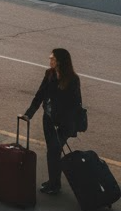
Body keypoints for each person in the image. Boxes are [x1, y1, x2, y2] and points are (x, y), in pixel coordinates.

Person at [22, 48, 83, 195]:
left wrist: (62, 117)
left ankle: (54, 184)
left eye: (52, 59)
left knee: (55, 149)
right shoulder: (49, 74)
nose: (50, 61)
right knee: (52, 151)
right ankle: (54, 182)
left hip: (64, 123)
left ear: (60, 61)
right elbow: (40, 94)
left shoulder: (72, 79)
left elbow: (75, 103)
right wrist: (29, 113)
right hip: (48, 120)